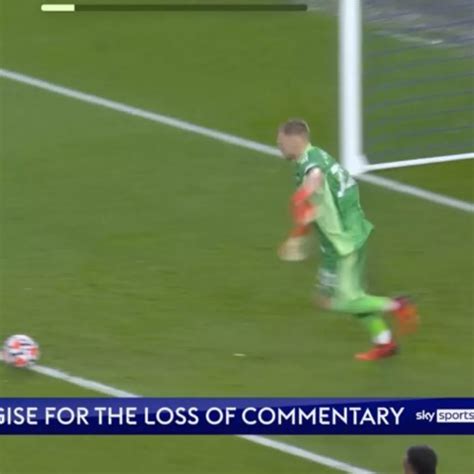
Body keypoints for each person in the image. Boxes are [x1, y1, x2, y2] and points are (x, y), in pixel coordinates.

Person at [276, 119, 418, 360]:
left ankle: (397, 305)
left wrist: (302, 195)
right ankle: (384, 342)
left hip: (343, 244)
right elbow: (316, 207)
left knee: (341, 300)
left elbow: (315, 178)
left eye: (281, 143)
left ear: (295, 140)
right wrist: (299, 234)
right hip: (344, 237)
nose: (278, 146)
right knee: (340, 297)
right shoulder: (317, 155)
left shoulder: (311, 164)